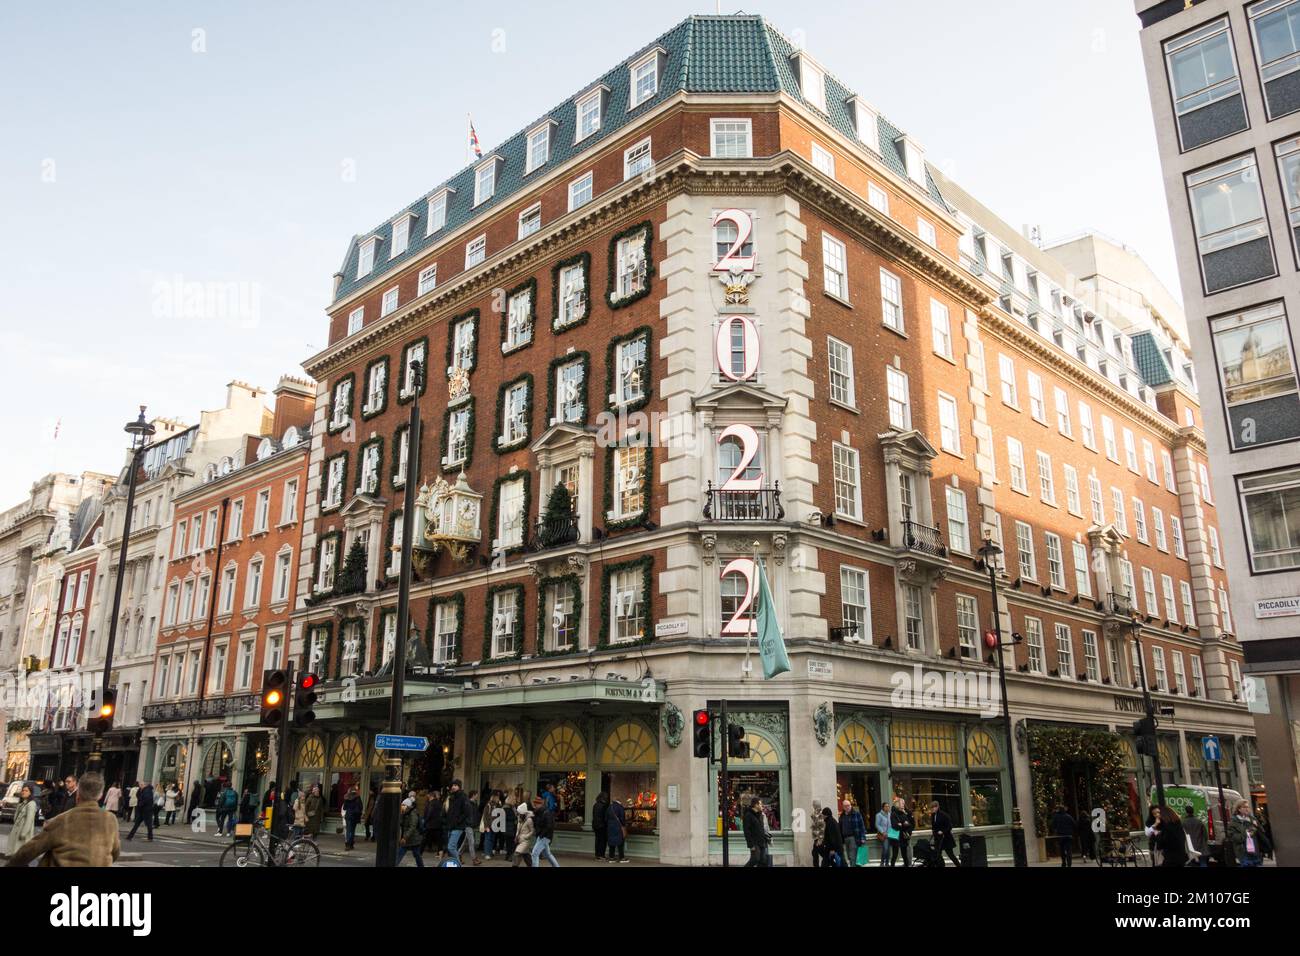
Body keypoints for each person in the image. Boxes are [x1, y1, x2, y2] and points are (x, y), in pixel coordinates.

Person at [6, 773, 120, 868]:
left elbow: (30, 850)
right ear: (100, 795)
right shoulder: (111, 820)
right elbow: (115, 853)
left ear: (78, 793)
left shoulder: (62, 820)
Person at [1227, 800, 1263, 867]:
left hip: (1256, 852)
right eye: (1244, 807)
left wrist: (1257, 826)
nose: (1247, 809)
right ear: (1239, 809)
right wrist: (1247, 833)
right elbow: (1234, 838)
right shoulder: (1233, 822)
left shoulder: (1252, 819)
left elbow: (1261, 832)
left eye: (1248, 807)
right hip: (1244, 853)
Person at [445, 779, 473, 863]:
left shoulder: (463, 797)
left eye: (455, 785)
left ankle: (457, 864)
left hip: (458, 826)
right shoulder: (452, 797)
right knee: (452, 847)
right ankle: (453, 863)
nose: (453, 787)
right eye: (452, 785)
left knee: (451, 847)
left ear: (459, 787)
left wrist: (458, 821)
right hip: (451, 826)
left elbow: (467, 812)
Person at [6, 784, 38, 857]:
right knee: (15, 854)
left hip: (23, 834)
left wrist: (23, 833)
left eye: (26, 791)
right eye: (23, 790)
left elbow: (29, 820)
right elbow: (16, 818)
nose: (23, 792)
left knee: (20, 855)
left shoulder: (31, 804)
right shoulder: (22, 803)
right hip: (17, 831)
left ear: (30, 793)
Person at [531, 795, 560, 867]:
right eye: (535, 803)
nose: (535, 805)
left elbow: (549, 826)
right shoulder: (538, 813)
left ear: (541, 804)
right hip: (542, 836)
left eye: (537, 803)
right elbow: (538, 824)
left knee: (535, 853)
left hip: (545, 836)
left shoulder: (546, 813)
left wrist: (541, 835)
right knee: (547, 854)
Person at [743, 797, 772, 867]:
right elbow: (747, 832)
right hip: (754, 842)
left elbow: (763, 828)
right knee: (755, 859)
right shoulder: (748, 815)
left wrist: (767, 839)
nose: (761, 805)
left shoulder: (760, 815)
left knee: (763, 861)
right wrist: (751, 845)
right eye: (760, 804)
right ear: (756, 805)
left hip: (762, 842)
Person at [396, 798, 425, 867]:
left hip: (413, 838)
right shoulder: (405, 813)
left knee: (414, 854)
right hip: (410, 838)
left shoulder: (413, 813)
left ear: (407, 806)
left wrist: (405, 837)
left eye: (403, 805)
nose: (401, 806)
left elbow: (412, 827)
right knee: (416, 854)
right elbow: (401, 823)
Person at [930, 801, 960, 867]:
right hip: (938, 839)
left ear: (937, 807)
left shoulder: (944, 815)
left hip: (946, 838)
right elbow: (934, 826)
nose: (932, 809)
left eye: (933, 808)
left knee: (950, 854)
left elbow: (949, 826)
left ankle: (958, 865)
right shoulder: (933, 815)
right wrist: (934, 832)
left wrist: (942, 831)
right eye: (931, 808)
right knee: (937, 854)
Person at [889, 797, 914, 867]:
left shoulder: (904, 813)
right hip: (895, 836)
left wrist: (903, 824)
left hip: (903, 837)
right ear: (897, 805)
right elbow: (895, 826)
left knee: (904, 855)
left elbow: (909, 824)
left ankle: (906, 865)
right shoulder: (893, 814)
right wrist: (903, 824)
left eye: (903, 804)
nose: (903, 805)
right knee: (895, 854)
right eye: (902, 804)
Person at [840, 800, 866, 867]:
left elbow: (862, 826)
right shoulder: (842, 816)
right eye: (845, 806)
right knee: (849, 857)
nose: (847, 807)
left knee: (852, 857)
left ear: (850, 805)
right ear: (843, 807)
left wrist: (863, 838)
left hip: (854, 838)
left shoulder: (856, 814)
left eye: (848, 805)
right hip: (845, 839)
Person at [512, 802, 535, 867]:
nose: (518, 814)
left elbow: (532, 831)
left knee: (517, 853)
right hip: (520, 840)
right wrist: (516, 836)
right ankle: (532, 865)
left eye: (519, 813)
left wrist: (526, 837)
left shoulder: (529, 820)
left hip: (525, 841)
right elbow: (518, 829)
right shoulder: (519, 819)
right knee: (526, 855)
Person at [607, 795, 628, 862]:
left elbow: (605, 818)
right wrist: (624, 825)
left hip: (610, 827)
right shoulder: (620, 807)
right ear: (619, 801)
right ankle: (621, 858)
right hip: (618, 826)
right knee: (620, 842)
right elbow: (622, 818)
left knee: (611, 842)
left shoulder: (609, 807)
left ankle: (611, 857)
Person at [423, 788, 443, 854]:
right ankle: (440, 851)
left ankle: (420, 851)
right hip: (438, 823)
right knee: (438, 838)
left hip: (431, 823)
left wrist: (425, 820)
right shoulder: (439, 803)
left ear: (431, 796)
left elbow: (429, 813)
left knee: (426, 837)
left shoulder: (431, 803)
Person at [592, 791, 610, 861]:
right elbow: (605, 817)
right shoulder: (604, 806)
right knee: (603, 841)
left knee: (598, 840)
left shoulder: (595, 805)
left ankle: (597, 855)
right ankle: (601, 855)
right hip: (602, 825)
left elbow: (594, 816)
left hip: (596, 825)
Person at [874, 801, 892, 867]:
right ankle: (882, 863)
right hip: (883, 835)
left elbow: (891, 824)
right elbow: (877, 825)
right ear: (883, 807)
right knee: (885, 849)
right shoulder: (879, 815)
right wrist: (882, 832)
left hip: (890, 834)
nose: (887, 808)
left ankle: (887, 863)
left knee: (889, 850)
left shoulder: (890, 814)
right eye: (886, 806)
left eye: (888, 806)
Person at [810, 799, 826, 867]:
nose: (813, 806)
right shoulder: (815, 813)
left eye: (813, 804)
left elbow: (822, 827)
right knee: (815, 853)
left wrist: (820, 839)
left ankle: (830, 862)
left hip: (819, 838)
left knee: (819, 853)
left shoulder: (819, 814)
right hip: (816, 837)